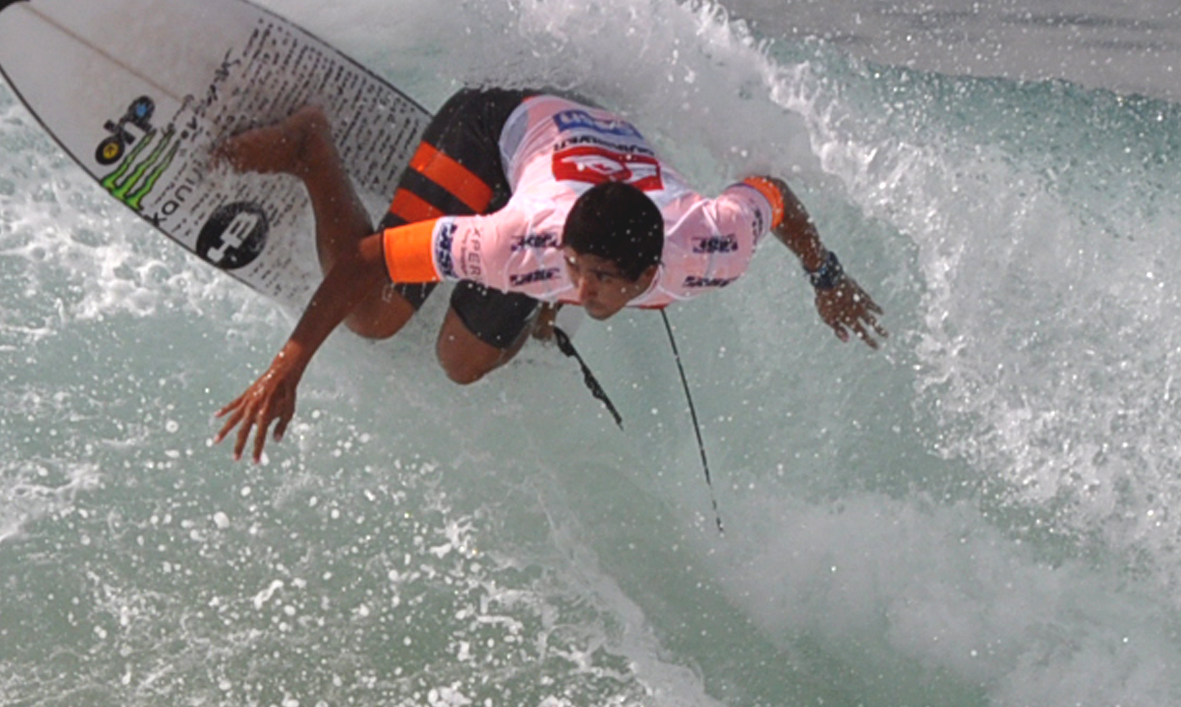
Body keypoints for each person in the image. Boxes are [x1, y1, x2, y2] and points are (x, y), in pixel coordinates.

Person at [213, 88, 885, 460]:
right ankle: (310, 146)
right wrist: (289, 366)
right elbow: (370, 260)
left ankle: (503, 240)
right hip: (496, 126)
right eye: (576, 271)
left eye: (600, 280)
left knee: (461, 363)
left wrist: (826, 276)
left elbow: (773, 196)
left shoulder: (712, 244)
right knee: (375, 317)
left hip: (596, 144)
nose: (583, 289)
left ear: (649, 273)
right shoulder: (526, 244)